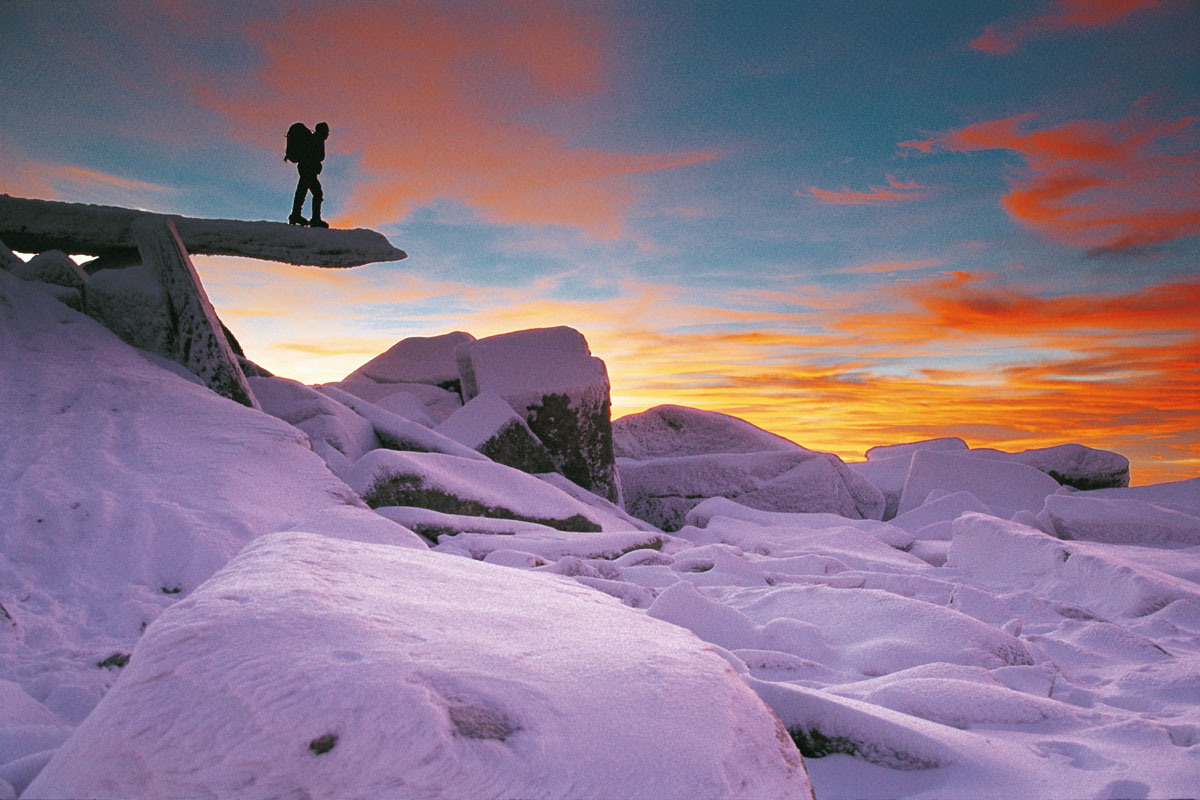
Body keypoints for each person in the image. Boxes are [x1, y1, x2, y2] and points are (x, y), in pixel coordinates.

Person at [288, 122, 330, 228]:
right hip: (308, 169)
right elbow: (319, 156)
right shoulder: (317, 139)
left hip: (305, 168)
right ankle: (315, 219)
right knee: (316, 193)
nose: (327, 134)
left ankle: (296, 215)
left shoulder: (313, 138)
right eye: (327, 131)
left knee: (302, 191)